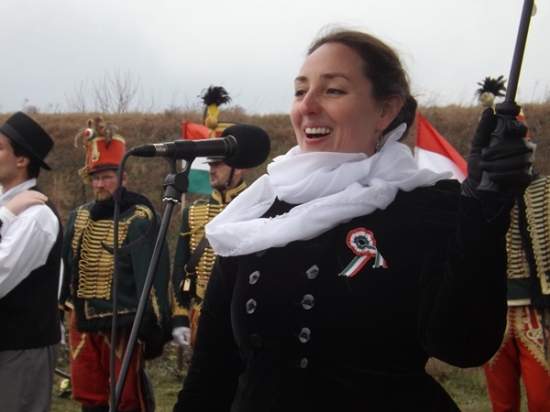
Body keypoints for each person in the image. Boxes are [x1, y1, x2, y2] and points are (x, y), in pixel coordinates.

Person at [173, 28, 534, 411]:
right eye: (300, 90)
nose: (307, 105)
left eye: (333, 90)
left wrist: (484, 210)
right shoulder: (256, 215)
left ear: (386, 110)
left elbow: (463, 345)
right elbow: (211, 376)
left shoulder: (424, 205)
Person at [59, 117, 171, 412]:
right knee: (87, 390)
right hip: (80, 320)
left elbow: (152, 277)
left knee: (126, 395)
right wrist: (59, 309)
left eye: (107, 177)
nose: (99, 184)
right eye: (95, 178)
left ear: (123, 178)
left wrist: (154, 325)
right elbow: (66, 266)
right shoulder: (78, 216)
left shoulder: (141, 217)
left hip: (120, 323)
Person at [172, 86, 246, 348]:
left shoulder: (257, 208)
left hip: (242, 314)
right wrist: (180, 316)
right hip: (200, 314)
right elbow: (182, 265)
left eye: (218, 164)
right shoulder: (193, 211)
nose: (211, 170)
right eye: (210, 163)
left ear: (240, 167)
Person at [0, 112, 63, 412]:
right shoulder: (9, 208)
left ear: (22, 160)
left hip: (20, 350)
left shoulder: (35, 217)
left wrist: (6, 215)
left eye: (0, 148)